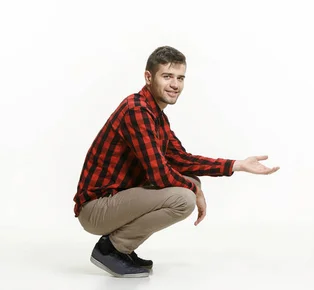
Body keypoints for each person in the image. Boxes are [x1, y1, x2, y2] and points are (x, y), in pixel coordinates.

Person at [72, 45, 279, 278]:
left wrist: (237, 165)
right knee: (183, 198)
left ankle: (121, 249)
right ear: (148, 77)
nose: (175, 85)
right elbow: (159, 174)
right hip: (96, 208)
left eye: (180, 78)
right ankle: (111, 249)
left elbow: (181, 159)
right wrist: (196, 189)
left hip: (115, 201)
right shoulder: (136, 110)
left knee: (188, 182)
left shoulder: (155, 115)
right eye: (167, 76)